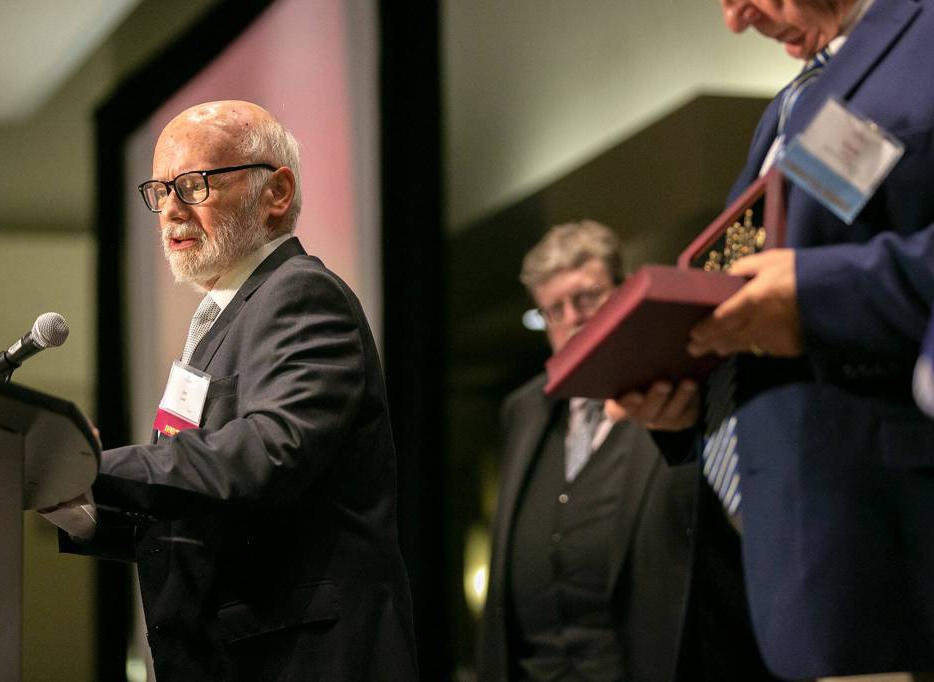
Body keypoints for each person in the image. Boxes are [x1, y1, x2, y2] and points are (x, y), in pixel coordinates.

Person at [610, 0, 934, 678]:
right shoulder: (794, 106)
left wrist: (817, 296)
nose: (734, 20)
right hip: (798, 566)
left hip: (892, 547)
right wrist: (683, 398)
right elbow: (770, 283)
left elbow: (810, 285)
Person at [55, 101, 418, 681]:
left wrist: (88, 465)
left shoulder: (299, 294)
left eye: (193, 185)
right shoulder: (222, 319)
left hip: (300, 659)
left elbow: (268, 454)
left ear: (276, 192)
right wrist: (81, 512)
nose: (170, 209)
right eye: (159, 189)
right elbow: (208, 514)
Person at [477, 221, 719, 682]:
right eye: (554, 309)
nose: (573, 318)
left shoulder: (677, 391)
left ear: (623, 292)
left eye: (586, 298)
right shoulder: (524, 410)